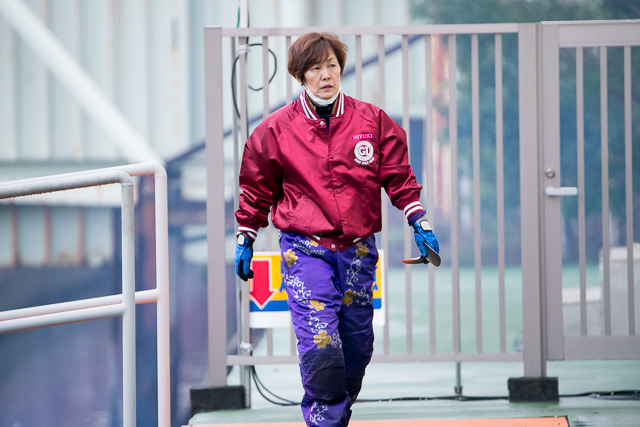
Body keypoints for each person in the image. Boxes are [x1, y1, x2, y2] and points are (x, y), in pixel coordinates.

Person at [233, 32, 439, 427]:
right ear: (300, 77)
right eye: (315, 68)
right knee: (322, 345)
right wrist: (246, 235)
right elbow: (256, 188)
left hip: (358, 250)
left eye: (331, 66)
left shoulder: (372, 122)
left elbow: (399, 178)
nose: (325, 75)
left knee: (357, 348)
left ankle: (334, 416)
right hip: (304, 248)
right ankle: (324, 421)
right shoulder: (276, 130)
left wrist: (419, 220)